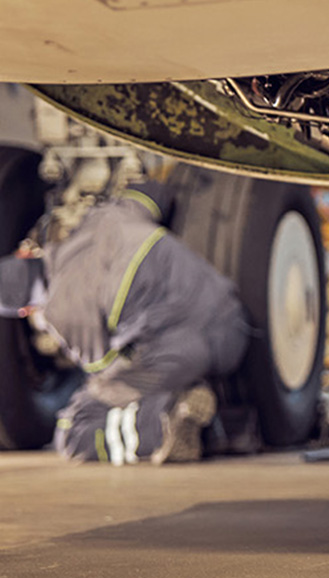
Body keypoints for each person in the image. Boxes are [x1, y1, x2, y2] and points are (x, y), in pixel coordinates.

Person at [0, 182, 250, 464]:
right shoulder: (104, 216)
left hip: (189, 352)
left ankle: (167, 421)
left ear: (24, 310)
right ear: (28, 254)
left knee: (76, 426)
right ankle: (208, 417)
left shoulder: (60, 314)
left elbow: (104, 367)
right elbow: (155, 192)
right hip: (232, 315)